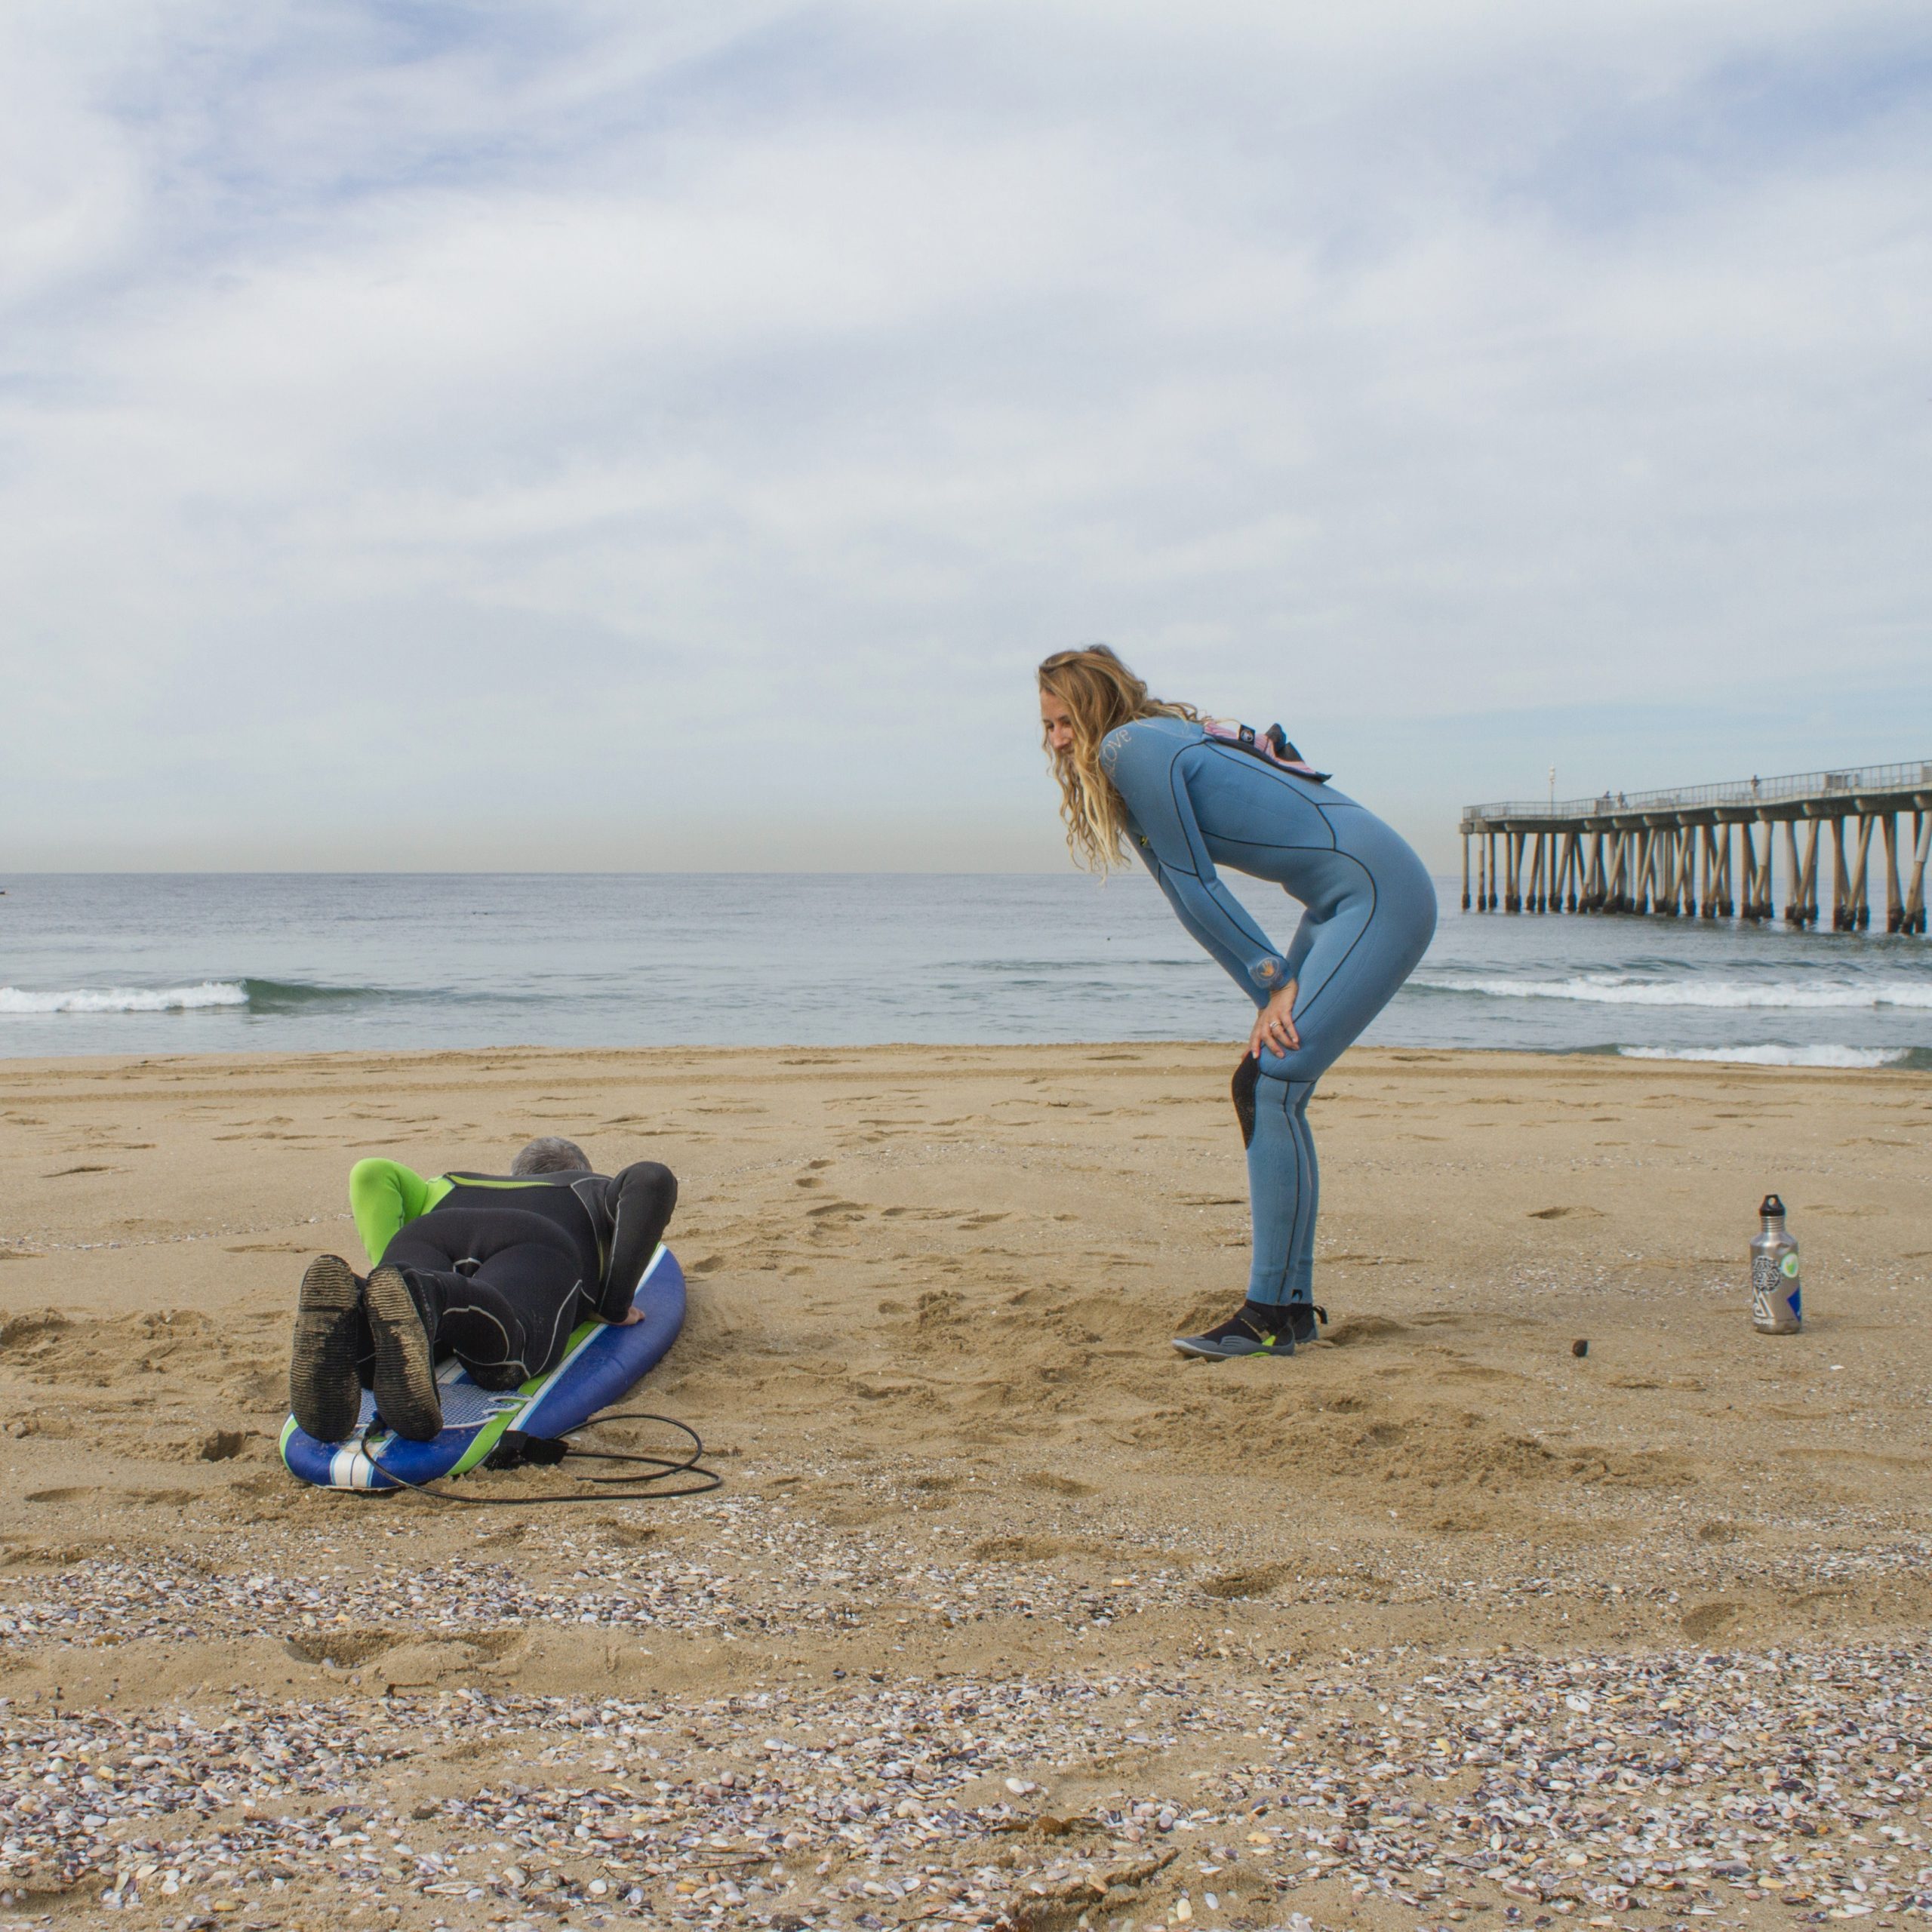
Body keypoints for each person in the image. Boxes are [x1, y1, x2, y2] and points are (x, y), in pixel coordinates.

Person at [1038, 645, 1435, 1360]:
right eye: (1048, 729)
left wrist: (1270, 982)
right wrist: (1271, 979)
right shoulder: (1159, 740)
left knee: (1272, 1080)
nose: (1057, 741)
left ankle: (1270, 1315)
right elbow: (1187, 884)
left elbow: (1194, 886)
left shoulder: (1130, 748)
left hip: (1378, 895)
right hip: (1347, 896)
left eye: (1065, 722)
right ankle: (1287, 1310)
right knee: (1270, 1085)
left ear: (1097, 708)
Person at [289, 1136, 678, 1443]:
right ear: (579, 1169)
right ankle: (425, 1294)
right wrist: (614, 1305)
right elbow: (651, 1179)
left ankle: (368, 1302)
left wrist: (382, 1279)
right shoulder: (594, 1188)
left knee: (405, 1328)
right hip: (530, 1241)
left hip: (428, 1233)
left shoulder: (445, 1185)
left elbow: (370, 1173)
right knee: (503, 1358)